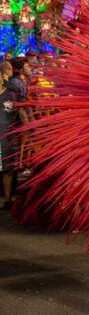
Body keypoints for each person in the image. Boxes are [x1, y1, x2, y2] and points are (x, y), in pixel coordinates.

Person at [0, 61, 19, 209]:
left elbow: (20, 112)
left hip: (7, 137)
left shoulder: (10, 93)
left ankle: (7, 199)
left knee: (7, 169)